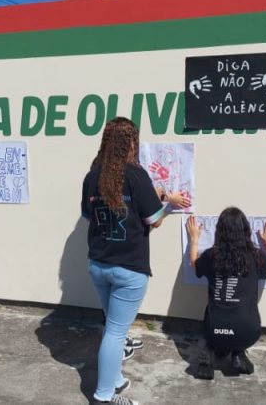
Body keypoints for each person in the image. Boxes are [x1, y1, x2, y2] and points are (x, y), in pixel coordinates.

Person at [81, 117, 190, 405]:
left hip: (98, 265)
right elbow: (153, 220)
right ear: (131, 142)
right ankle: (104, 397)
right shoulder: (136, 175)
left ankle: (114, 379)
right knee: (116, 332)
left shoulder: (92, 175)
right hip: (129, 268)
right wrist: (169, 203)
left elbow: (90, 216)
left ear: (106, 141)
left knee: (113, 329)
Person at [185, 208, 266, 379]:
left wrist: (194, 239)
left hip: (213, 332)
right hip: (249, 333)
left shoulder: (211, 256)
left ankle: (210, 351)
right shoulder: (255, 256)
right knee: (241, 317)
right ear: (246, 230)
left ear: (219, 232)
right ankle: (238, 352)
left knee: (214, 314)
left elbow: (194, 264)